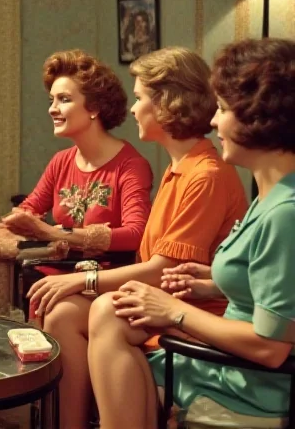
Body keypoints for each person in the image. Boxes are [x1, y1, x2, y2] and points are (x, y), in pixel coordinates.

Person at [27, 47, 248, 429]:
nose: (132, 110)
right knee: (62, 313)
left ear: (167, 104)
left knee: (101, 309)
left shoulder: (204, 174)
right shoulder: (179, 166)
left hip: (194, 314)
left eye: (141, 97)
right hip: (161, 300)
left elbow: (167, 269)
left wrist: (84, 279)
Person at [96, 38, 295, 428]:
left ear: (259, 116)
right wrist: (212, 283)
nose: (214, 121)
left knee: (108, 317)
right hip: (227, 368)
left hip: (243, 390)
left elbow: (271, 347)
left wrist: (174, 310)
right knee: (111, 314)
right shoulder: (270, 195)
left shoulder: (284, 212)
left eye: (222, 109)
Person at [0, 49, 153, 267]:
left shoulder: (131, 166)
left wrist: (53, 233)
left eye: (64, 99)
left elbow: (135, 234)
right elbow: (28, 209)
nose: (52, 109)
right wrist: (15, 224)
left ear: (95, 107)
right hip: (56, 270)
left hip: (103, 279)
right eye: (51, 100)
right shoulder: (61, 161)